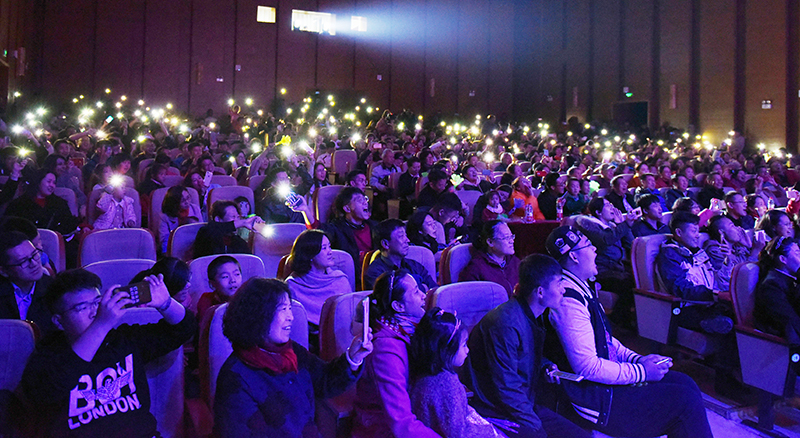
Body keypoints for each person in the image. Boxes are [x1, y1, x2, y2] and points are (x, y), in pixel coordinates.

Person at [543, 226, 712, 438]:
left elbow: (606, 340)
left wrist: (639, 360)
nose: (595, 249)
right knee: (684, 401)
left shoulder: (581, 287)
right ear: (574, 257)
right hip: (592, 398)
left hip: (602, 384)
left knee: (685, 383)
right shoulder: (568, 300)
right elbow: (587, 367)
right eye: (588, 245)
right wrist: (642, 372)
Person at [20, 268, 195, 437]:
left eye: (98, 302)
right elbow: (47, 391)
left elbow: (184, 329)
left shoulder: (123, 340)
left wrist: (166, 303)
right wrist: (102, 324)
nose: (95, 312)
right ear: (58, 321)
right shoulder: (47, 357)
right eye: (82, 307)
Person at [214, 278, 373, 438]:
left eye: (289, 308)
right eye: (283, 309)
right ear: (258, 314)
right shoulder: (235, 377)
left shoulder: (291, 351)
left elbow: (325, 381)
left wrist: (353, 357)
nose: (290, 317)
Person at [463, 254, 590, 438]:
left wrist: (545, 365)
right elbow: (506, 387)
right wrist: (536, 427)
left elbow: (522, 355)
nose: (563, 290)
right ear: (540, 292)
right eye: (558, 284)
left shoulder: (532, 314)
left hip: (523, 404)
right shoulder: (505, 324)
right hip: (498, 410)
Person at [351, 269, 440, 438]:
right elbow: (401, 423)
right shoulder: (385, 351)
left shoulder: (413, 329)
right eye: (416, 292)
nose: (424, 295)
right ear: (398, 306)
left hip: (417, 416)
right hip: (383, 431)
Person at [409, 308, 502, 438]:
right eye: (463, 345)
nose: (467, 350)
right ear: (445, 349)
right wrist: (488, 431)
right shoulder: (447, 384)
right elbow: (458, 433)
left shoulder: (425, 373)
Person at [656, 212, 734, 334]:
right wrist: (715, 295)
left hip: (709, 303)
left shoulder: (698, 252)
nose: (698, 236)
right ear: (679, 232)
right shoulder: (669, 255)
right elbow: (679, 288)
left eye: (698, 231)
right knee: (726, 323)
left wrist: (727, 261)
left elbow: (715, 279)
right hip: (687, 308)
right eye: (693, 231)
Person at [574, 197, 636, 327]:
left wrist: (622, 224)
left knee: (638, 280)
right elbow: (606, 240)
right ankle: (617, 320)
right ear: (598, 212)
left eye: (611, 204)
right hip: (601, 271)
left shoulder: (613, 226)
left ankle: (625, 319)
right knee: (628, 284)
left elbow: (631, 243)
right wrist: (625, 225)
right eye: (607, 205)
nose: (612, 208)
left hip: (618, 268)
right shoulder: (588, 224)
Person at [285, 230, 350, 340]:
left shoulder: (340, 280)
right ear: (310, 253)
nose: (330, 252)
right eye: (324, 248)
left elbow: (349, 320)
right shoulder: (292, 285)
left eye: (329, 246)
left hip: (338, 339)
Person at [0, 231, 55, 335]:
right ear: (3, 271)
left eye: (35, 254)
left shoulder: (54, 289)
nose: (34, 263)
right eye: (23, 261)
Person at [364, 219, 438, 291]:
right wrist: (423, 287)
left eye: (406, 236)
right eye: (401, 236)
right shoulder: (375, 273)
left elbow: (434, 291)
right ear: (385, 244)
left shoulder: (414, 265)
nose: (407, 240)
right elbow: (395, 296)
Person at [5, 168, 81, 238]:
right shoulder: (19, 204)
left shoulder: (59, 203)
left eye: (54, 183)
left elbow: (69, 223)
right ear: (38, 182)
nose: (52, 185)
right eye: (49, 181)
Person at [754, 237, 800, 345]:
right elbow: (790, 321)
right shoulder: (771, 285)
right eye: (797, 254)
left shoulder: (792, 279)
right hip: (779, 342)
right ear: (783, 259)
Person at [702, 215, 765, 292]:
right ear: (721, 232)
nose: (738, 228)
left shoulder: (736, 247)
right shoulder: (717, 251)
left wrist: (748, 246)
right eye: (732, 226)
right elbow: (740, 277)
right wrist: (755, 251)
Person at [459, 220, 521, 297]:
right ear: (490, 242)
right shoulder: (476, 267)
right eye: (506, 237)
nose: (512, 241)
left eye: (511, 236)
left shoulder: (514, 261)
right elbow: (469, 297)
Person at [193, 200, 259, 259]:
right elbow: (212, 229)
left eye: (238, 217)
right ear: (218, 219)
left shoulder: (238, 242)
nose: (237, 221)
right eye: (233, 217)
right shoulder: (206, 232)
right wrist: (243, 222)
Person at [196, 255, 242, 323]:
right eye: (225, 276)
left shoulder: (249, 299)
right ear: (212, 284)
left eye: (237, 274)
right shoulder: (206, 300)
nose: (233, 280)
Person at [158, 186, 202, 254]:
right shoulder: (165, 216)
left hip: (193, 247)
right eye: (183, 201)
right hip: (174, 248)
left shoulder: (195, 209)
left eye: (188, 198)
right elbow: (164, 240)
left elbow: (201, 230)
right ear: (174, 203)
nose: (187, 202)